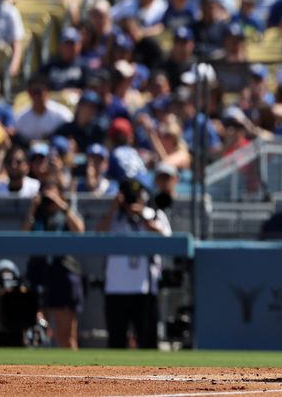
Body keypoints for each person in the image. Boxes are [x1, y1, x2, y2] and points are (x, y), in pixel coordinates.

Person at [96, 178, 172, 349]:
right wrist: (114, 209)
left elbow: (167, 239)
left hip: (145, 289)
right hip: (116, 288)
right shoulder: (115, 218)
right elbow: (98, 234)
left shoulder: (153, 214)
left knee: (147, 340)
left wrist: (143, 218)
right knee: (116, 341)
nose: (133, 200)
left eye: (136, 195)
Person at [23, 179, 85, 349]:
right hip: (39, 271)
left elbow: (80, 230)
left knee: (66, 335)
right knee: (34, 331)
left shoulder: (65, 211)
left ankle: (73, 372)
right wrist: (33, 208)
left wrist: (61, 205)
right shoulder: (37, 214)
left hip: (63, 271)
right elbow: (24, 236)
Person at [15, 75, 73, 141]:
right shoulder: (21, 118)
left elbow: (72, 133)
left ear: (47, 92)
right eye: (33, 92)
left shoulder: (62, 114)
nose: (36, 96)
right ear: (29, 93)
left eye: (39, 92)